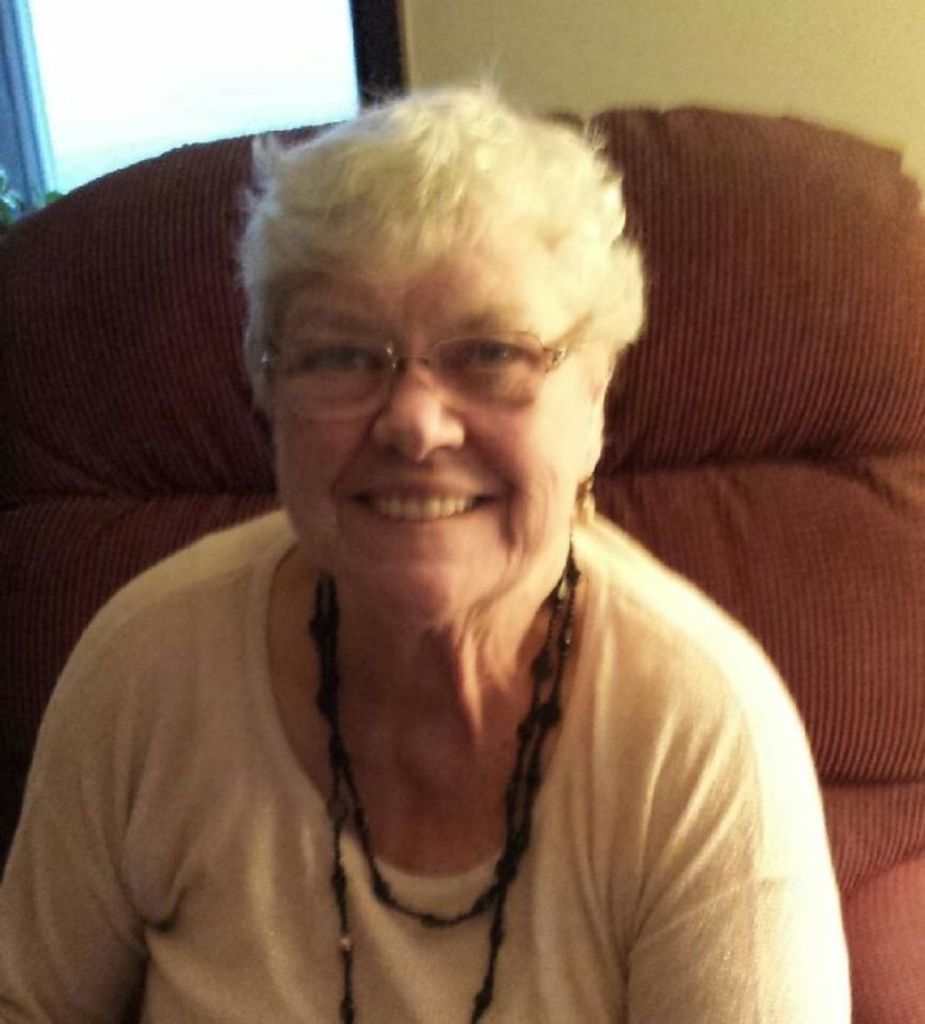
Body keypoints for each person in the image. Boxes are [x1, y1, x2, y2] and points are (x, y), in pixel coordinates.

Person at [0, 86, 850, 1023]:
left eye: (490, 354)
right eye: (341, 355)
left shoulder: (698, 735)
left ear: (595, 399)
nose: (413, 422)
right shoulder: (146, 664)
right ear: (269, 397)